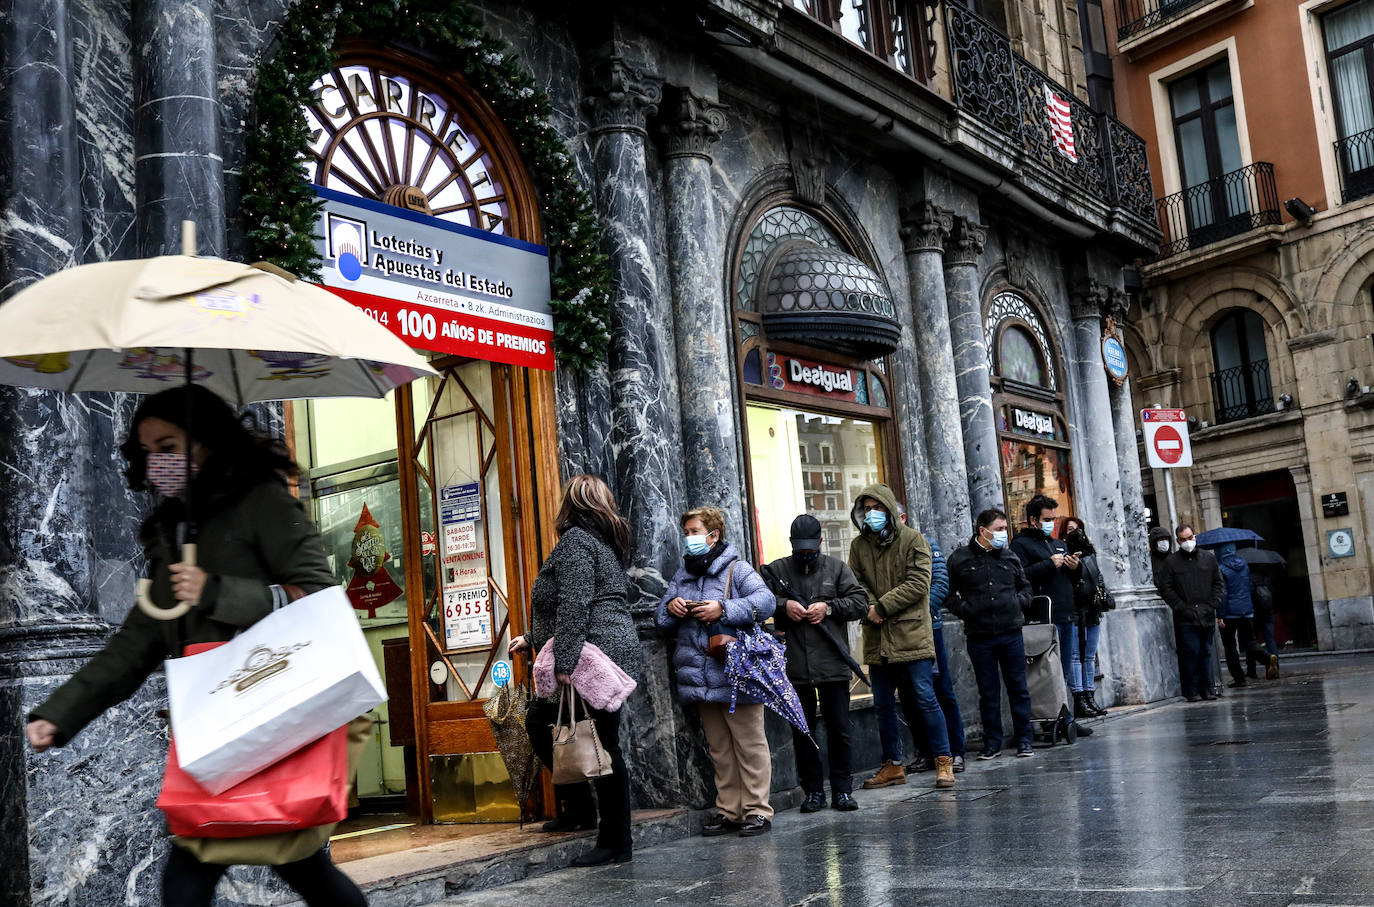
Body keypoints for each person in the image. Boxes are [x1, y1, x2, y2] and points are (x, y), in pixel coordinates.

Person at [24, 386, 366, 907]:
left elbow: (318, 595)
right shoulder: (172, 530)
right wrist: (60, 713)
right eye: (148, 452)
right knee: (205, 864)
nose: (157, 462)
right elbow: (137, 642)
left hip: (271, 703)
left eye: (168, 446)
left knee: (288, 865)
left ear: (205, 441)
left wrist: (216, 592)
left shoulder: (263, 501)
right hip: (212, 717)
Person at [510, 474, 641, 866]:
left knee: (602, 742)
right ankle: (583, 811)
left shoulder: (576, 543)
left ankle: (615, 840)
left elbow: (575, 604)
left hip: (591, 654)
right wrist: (533, 639)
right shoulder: (599, 542)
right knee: (552, 723)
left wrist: (565, 663)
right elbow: (566, 606)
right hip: (603, 647)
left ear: (570, 505)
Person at [656, 506, 777, 837]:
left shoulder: (736, 570)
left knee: (749, 744)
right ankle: (730, 811)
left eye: (695, 531)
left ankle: (757, 811)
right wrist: (671, 607)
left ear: (714, 535)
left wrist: (724, 609)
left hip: (737, 673)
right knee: (721, 749)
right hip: (700, 678)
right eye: (688, 532)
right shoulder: (683, 575)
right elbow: (661, 620)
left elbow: (766, 602)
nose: (690, 538)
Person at [847, 484, 955, 790]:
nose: (871, 514)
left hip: (911, 634)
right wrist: (869, 607)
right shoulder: (859, 546)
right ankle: (892, 765)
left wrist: (881, 606)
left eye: (877, 508)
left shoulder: (914, 539)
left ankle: (944, 761)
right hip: (877, 636)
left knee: (925, 697)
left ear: (890, 511)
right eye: (866, 509)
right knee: (882, 704)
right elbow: (855, 581)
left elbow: (920, 583)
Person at [764, 514, 868, 813]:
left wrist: (830, 607)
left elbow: (860, 602)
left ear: (820, 543)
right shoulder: (778, 570)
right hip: (795, 667)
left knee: (839, 730)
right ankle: (813, 792)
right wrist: (785, 605)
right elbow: (759, 600)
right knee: (803, 733)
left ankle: (843, 790)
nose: (806, 554)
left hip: (833, 664)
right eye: (801, 549)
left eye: (810, 548)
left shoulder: (836, 568)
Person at [946, 508, 1036, 759]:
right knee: (988, 691)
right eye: (999, 529)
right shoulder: (960, 559)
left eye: (1005, 529)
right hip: (980, 634)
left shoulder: (1009, 556)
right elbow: (948, 593)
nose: (1003, 534)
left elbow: (1025, 586)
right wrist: (966, 610)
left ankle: (1024, 739)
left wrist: (1018, 602)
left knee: (1018, 687)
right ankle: (992, 742)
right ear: (982, 531)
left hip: (1011, 632)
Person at [1010, 494, 1092, 737]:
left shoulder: (1058, 543)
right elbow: (1020, 576)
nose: (1052, 523)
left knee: (1063, 670)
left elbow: (1074, 579)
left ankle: (1064, 716)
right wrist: (1048, 564)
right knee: (1046, 673)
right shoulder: (1020, 545)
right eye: (1047, 519)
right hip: (1042, 619)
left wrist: (1075, 568)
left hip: (1066, 615)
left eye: (1054, 519)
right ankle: (1050, 718)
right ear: (1033, 520)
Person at [905, 534, 967, 775]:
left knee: (940, 690)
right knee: (911, 694)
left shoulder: (924, 542)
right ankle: (926, 752)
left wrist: (919, 614)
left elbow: (940, 582)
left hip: (930, 627)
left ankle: (955, 751)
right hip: (900, 633)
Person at [1156, 524, 1224, 702]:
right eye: (1184, 540)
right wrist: (1181, 607)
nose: (1188, 542)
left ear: (1195, 536)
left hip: (1206, 613)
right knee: (1191, 652)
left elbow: (1218, 583)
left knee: (1206, 652)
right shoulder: (1171, 562)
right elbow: (1166, 588)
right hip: (1185, 616)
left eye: (1190, 538)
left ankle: (1207, 688)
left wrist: (1212, 604)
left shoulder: (1208, 559)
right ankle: (1191, 690)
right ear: (1178, 541)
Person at [1061, 517, 1113, 718]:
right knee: (1075, 656)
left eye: (1078, 529)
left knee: (1089, 656)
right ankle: (1080, 697)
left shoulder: (1090, 554)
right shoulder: (1065, 555)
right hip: (1074, 609)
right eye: (1070, 530)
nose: (1075, 533)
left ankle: (1090, 696)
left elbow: (1098, 578)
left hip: (1091, 609)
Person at [1213, 542, 1273, 689]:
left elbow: (1224, 593)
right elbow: (1248, 586)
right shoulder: (1244, 565)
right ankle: (1267, 659)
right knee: (1250, 642)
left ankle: (1239, 678)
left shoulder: (1220, 568)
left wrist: (1220, 614)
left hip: (1229, 613)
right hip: (1246, 611)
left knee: (1230, 647)